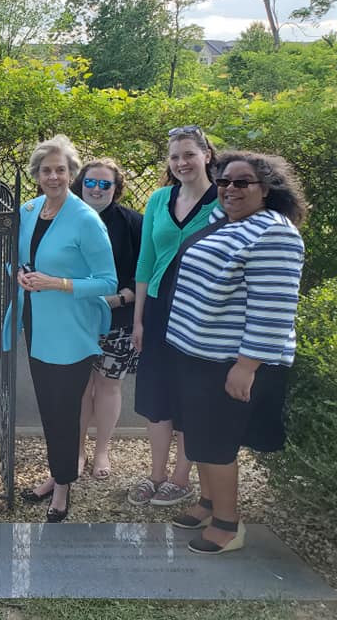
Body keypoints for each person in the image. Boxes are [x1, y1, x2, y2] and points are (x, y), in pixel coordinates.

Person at [164, 151, 306, 554]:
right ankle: (209, 504)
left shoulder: (274, 233)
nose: (230, 189)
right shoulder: (223, 222)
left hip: (229, 361)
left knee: (217, 443)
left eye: (242, 183)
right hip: (196, 353)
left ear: (267, 189)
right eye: (224, 181)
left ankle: (228, 526)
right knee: (202, 438)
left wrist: (246, 366)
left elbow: (274, 306)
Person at [3, 134, 118, 522]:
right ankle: (58, 474)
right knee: (49, 408)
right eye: (46, 170)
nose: (54, 176)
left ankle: (64, 486)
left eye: (61, 170)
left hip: (72, 332)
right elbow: (18, 261)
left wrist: (58, 283)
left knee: (65, 410)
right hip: (36, 324)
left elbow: (107, 282)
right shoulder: (30, 210)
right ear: (37, 175)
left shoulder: (87, 220)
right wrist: (19, 275)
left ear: (72, 173)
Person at [128, 126, 219, 508]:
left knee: (190, 395)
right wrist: (138, 319)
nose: (182, 163)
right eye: (175, 157)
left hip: (201, 312)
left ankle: (181, 478)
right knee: (156, 394)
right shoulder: (159, 199)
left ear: (206, 156)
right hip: (159, 307)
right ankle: (156, 474)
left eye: (189, 154)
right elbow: (146, 261)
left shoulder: (222, 202)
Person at [71, 158, 143, 481]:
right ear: (80, 183)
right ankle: (77, 451)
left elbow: (145, 273)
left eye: (105, 184)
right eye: (90, 182)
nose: (97, 189)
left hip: (118, 319)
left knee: (108, 385)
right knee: (78, 387)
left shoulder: (133, 223)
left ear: (116, 189)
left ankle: (101, 450)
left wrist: (120, 298)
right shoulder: (63, 218)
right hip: (73, 318)